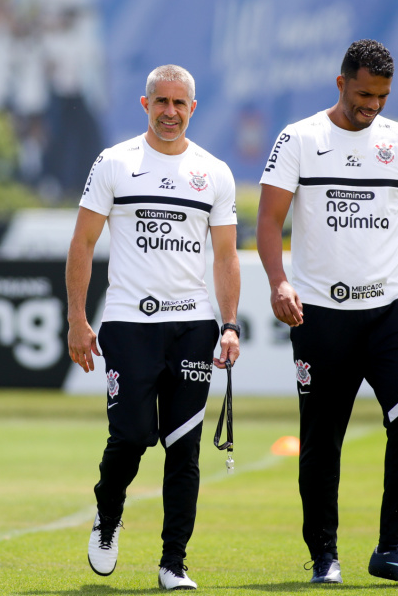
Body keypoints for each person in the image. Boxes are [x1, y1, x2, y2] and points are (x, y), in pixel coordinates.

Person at [256, 39, 398, 586]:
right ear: (341, 82)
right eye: (364, 94)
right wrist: (279, 283)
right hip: (320, 315)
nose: (372, 106)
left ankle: (392, 547)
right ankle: (324, 555)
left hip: (393, 309)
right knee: (322, 440)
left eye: (383, 96)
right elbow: (269, 221)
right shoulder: (298, 139)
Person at [66, 64, 241, 591]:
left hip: (192, 326)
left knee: (184, 449)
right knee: (132, 437)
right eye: (160, 103)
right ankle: (108, 515)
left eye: (179, 104)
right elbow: (82, 244)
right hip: (128, 324)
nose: (170, 113)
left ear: (193, 108)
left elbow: (227, 257)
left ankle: (174, 563)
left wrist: (229, 324)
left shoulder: (214, 172)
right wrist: (77, 318)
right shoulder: (115, 162)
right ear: (145, 105)